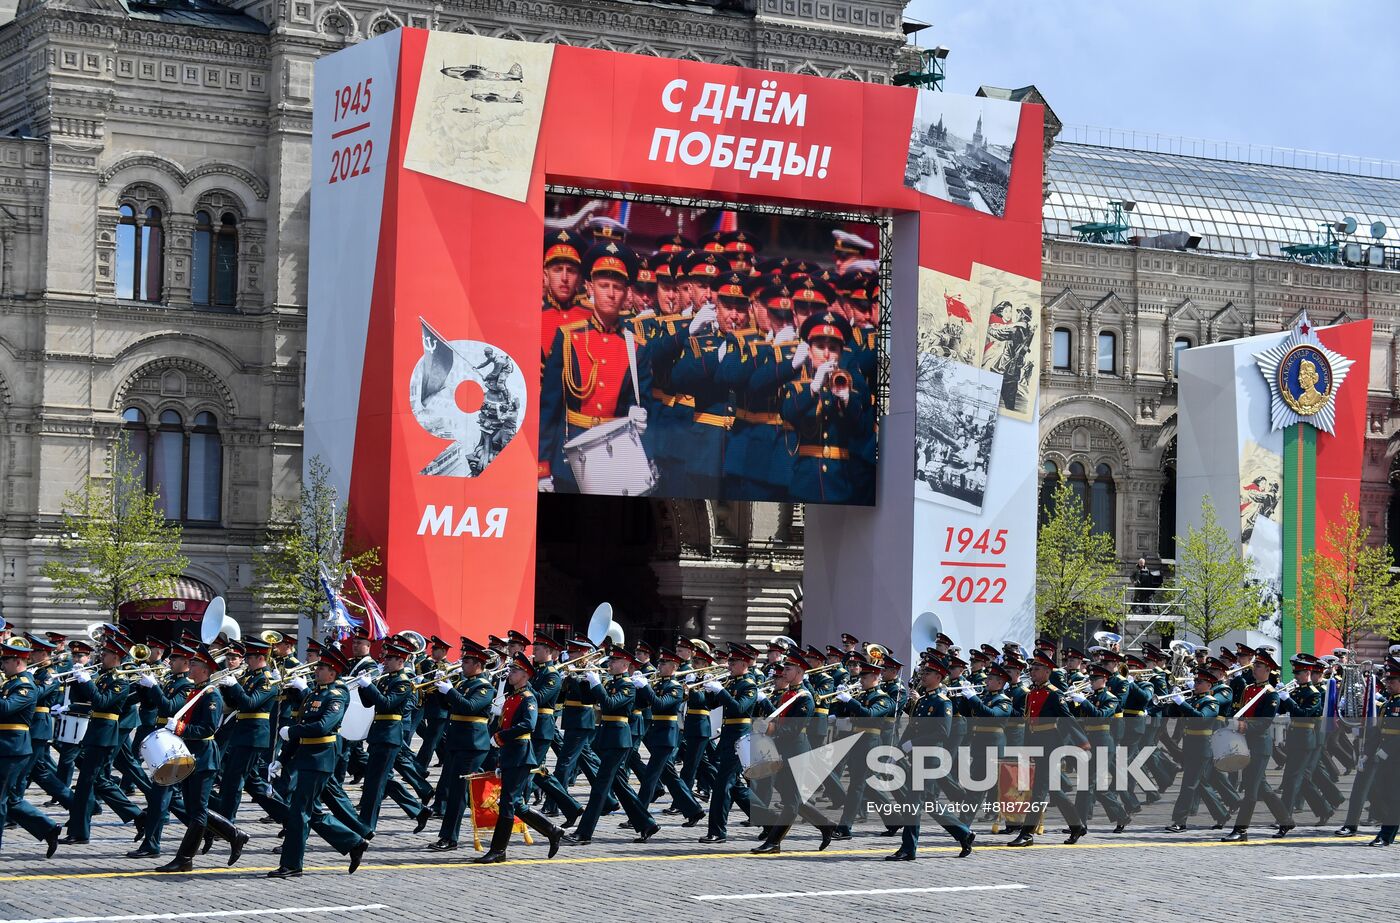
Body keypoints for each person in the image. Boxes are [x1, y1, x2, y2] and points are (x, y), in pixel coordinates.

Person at [539, 242, 652, 494]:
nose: (611, 294)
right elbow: (549, 408)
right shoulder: (568, 337)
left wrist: (643, 417)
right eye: (603, 286)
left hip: (617, 457)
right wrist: (542, 467)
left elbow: (645, 404)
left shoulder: (636, 346)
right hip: (570, 454)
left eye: (618, 287)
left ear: (626, 293)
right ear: (590, 288)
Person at [268, 647, 370, 879]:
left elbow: (322, 726)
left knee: (299, 812)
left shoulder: (337, 694)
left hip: (320, 758)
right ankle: (354, 842)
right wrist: (282, 760)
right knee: (311, 811)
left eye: (322, 668)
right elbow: (299, 731)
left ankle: (292, 864)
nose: (317, 670)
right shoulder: (314, 694)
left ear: (333, 673)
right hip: (307, 757)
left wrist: (291, 731)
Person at [155, 647, 248, 873]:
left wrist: (179, 728)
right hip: (191, 753)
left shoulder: (211, 695)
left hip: (204, 756)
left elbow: (208, 728)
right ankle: (234, 834)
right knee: (194, 808)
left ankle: (184, 858)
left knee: (197, 811)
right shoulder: (197, 691)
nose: (190, 666)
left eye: (194, 664)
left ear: (205, 670)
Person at [563, 647, 659, 845]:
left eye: (615, 661)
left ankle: (584, 833)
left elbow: (609, 704)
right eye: (611, 660)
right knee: (620, 786)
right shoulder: (612, 681)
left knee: (600, 788)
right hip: (607, 736)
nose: (610, 663)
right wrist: (582, 681)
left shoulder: (628, 685)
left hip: (619, 739)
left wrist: (597, 684)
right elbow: (587, 699)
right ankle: (646, 823)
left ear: (626, 665)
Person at [476, 654, 564, 863]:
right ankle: (552, 831)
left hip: (520, 754)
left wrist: (500, 737)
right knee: (514, 803)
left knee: (508, 803)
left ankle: (498, 850)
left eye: (515, 671)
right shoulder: (512, 697)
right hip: (510, 754)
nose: (510, 674)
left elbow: (528, 725)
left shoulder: (528, 698)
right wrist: (500, 758)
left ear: (525, 675)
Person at [779, 311, 873, 504]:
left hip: (841, 481)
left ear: (840, 353)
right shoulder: (798, 385)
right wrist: (813, 387)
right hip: (806, 480)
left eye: (833, 348)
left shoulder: (852, 385)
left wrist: (847, 401)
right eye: (820, 347)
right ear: (810, 351)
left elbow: (862, 430)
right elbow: (787, 413)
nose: (827, 354)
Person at [352, 637, 432, 835]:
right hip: (378, 734)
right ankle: (419, 811)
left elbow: (387, 704)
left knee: (374, 784)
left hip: (390, 736)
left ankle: (366, 826)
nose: (385, 661)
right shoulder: (387, 679)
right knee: (379, 779)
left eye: (391, 659)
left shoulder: (403, 683)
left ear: (401, 662)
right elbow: (369, 703)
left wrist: (369, 686)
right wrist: (364, 686)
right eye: (386, 658)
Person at [429, 641, 495, 851]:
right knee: (451, 789)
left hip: (472, 745)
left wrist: (449, 691)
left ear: (478, 663)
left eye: (466, 661)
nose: (461, 664)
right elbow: (450, 706)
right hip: (458, 742)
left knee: (458, 792)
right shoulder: (464, 683)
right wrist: (440, 690)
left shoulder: (484, 686)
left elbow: (469, 707)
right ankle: (447, 835)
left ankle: (450, 838)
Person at [0, 638, 60, 858]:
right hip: (7, 746)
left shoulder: (25, 684)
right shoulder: (12, 681)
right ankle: (47, 828)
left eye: (4, 661)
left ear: (17, 661)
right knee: (12, 798)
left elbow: (6, 708)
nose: (2, 665)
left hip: (13, 748)